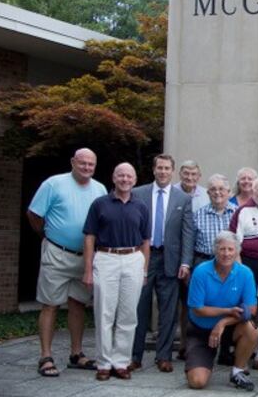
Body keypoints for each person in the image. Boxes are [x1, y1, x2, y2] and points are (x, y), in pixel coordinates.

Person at [27, 148, 107, 377]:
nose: (87, 167)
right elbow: (34, 214)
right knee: (50, 304)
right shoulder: (53, 184)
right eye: (82, 163)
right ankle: (45, 356)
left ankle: (76, 353)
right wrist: (47, 236)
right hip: (57, 253)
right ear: (73, 162)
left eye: (91, 164)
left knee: (78, 304)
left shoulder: (100, 189)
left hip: (85, 256)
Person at [82, 163, 150, 381]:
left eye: (129, 176)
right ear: (113, 178)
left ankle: (121, 362)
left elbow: (146, 241)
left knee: (128, 314)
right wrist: (88, 270)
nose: (125, 179)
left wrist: (144, 270)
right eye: (121, 175)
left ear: (135, 180)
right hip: (106, 258)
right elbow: (89, 237)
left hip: (133, 258)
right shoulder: (99, 204)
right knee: (104, 312)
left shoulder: (141, 206)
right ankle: (103, 363)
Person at [130, 154, 194, 373]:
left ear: (172, 171)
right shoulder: (138, 193)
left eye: (167, 168)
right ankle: (135, 356)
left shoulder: (183, 198)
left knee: (169, 311)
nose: (163, 172)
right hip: (144, 257)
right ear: (154, 169)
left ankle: (164, 356)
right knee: (139, 307)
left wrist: (185, 262)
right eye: (160, 168)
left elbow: (188, 233)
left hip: (171, 259)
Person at [185, 231, 258, 391]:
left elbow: (251, 309)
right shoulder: (201, 271)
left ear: (237, 251)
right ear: (215, 250)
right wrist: (227, 311)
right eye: (222, 249)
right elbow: (197, 309)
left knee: (252, 328)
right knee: (197, 382)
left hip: (230, 328)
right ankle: (204, 361)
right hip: (201, 329)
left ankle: (237, 372)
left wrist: (223, 322)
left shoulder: (245, 273)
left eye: (230, 249)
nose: (226, 254)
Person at [179, 174, 237, 362]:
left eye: (221, 189)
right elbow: (189, 243)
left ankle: (225, 350)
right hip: (203, 263)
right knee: (197, 305)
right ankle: (194, 347)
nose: (217, 193)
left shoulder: (237, 213)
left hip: (229, 264)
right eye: (213, 189)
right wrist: (187, 266)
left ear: (229, 192)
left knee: (228, 304)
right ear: (208, 193)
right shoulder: (198, 214)